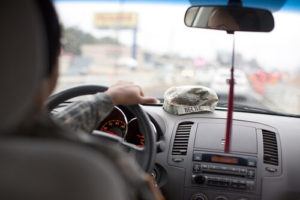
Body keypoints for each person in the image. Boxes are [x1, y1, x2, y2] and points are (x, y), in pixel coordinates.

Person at [13, 0, 164, 200]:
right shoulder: (108, 169)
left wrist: (109, 98)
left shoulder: (20, 138)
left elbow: (53, 127)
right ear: (48, 63)